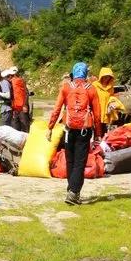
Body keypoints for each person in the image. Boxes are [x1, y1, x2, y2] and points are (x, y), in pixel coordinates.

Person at [47, 62, 101, 205]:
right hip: (84, 130)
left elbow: (57, 109)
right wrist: (98, 134)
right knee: (80, 161)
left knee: (70, 159)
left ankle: (71, 189)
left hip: (68, 129)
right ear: (85, 74)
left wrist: (50, 127)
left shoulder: (66, 88)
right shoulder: (91, 90)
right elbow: (97, 114)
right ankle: (73, 192)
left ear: (73, 73)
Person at [92, 67, 124, 136]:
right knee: (95, 133)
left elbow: (112, 97)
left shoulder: (111, 87)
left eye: (108, 77)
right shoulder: (94, 85)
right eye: (105, 76)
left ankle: (102, 145)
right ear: (101, 76)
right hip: (96, 112)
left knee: (104, 133)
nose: (106, 78)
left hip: (107, 113)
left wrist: (113, 102)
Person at [6, 67, 31, 132]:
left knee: (25, 125)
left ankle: (27, 140)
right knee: (15, 127)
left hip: (22, 107)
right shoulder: (10, 82)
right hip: (15, 107)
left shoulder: (20, 80)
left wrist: (25, 105)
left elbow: (26, 93)